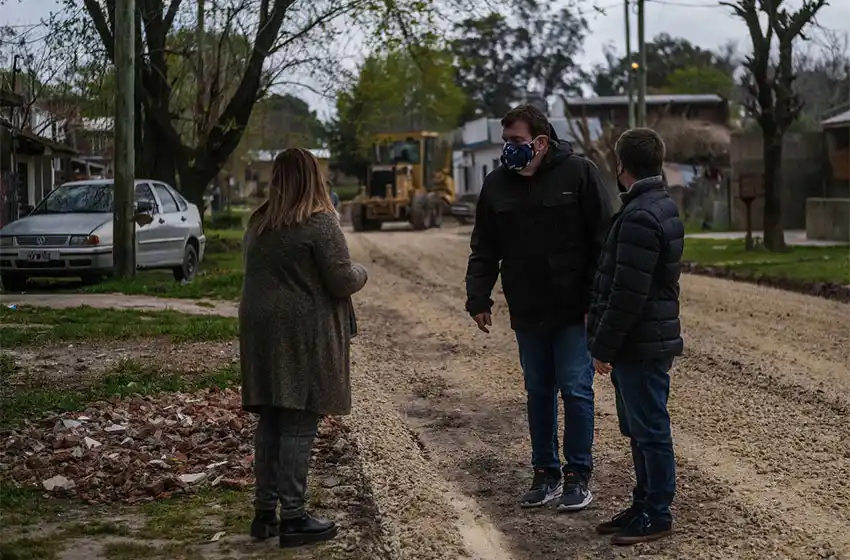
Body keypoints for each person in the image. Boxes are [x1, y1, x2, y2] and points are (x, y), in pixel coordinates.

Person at [464, 104, 613, 511]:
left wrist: (596, 304)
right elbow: (484, 247)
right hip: (527, 310)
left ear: (540, 142)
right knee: (538, 392)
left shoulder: (579, 175)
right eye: (505, 142)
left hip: (572, 309)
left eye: (516, 142)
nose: (508, 150)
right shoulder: (497, 186)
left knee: (576, 391)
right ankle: (544, 472)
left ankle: (577, 475)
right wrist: (478, 296)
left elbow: (603, 243)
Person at [239, 148, 368, 548]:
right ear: (314, 176)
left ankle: (264, 514)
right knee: (298, 419)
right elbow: (341, 280)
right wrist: (363, 272)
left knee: (273, 418)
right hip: (301, 332)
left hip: (260, 329)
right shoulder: (318, 221)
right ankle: (293, 517)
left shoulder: (260, 221)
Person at [586, 128, 684, 545]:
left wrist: (602, 347)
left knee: (650, 429)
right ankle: (643, 503)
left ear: (620, 165)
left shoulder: (641, 215)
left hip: (641, 343)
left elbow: (627, 293)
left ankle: (657, 512)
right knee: (641, 429)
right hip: (643, 341)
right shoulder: (656, 205)